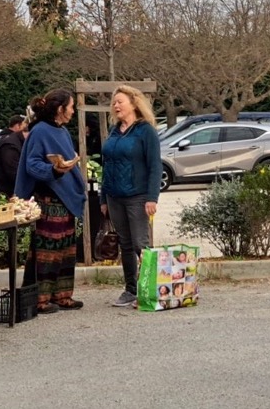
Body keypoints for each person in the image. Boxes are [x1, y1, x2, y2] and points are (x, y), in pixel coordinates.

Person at [15, 89, 86, 314]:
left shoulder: (62, 131)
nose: (73, 111)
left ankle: (62, 295)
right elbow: (32, 164)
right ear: (59, 109)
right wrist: (54, 169)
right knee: (47, 250)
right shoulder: (40, 132)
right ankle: (40, 299)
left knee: (66, 249)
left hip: (65, 200)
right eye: (71, 107)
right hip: (49, 198)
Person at [100, 85, 161, 308]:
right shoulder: (114, 131)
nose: (116, 106)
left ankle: (151, 288)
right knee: (124, 244)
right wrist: (103, 198)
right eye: (114, 103)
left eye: (120, 102)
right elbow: (106, 166)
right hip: (115, 197)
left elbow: (155, 166)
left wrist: (152, 197)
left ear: (134, 104)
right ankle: (130, 290)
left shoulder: (146, 131)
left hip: (138, 196)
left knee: (140, 244)